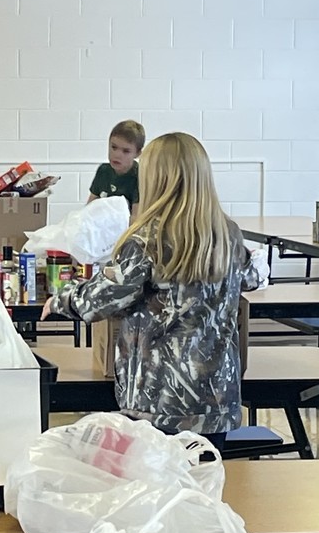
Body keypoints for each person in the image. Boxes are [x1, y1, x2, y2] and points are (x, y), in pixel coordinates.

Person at [42, 132, 260, 449]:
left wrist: (62, 300)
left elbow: (104, 298)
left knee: (159, 491)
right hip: (217, 400)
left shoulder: (146, 240)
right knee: (203, 487)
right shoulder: (228, 234)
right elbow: (250, 278)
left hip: (159, 401)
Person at [88, 119, 146, 220]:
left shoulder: (140, 176)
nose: (117, 155)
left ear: (137, 153)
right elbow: (89, 208)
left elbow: (136, 219)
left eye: (126, 151)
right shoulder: (103, 171)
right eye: (114, 147)